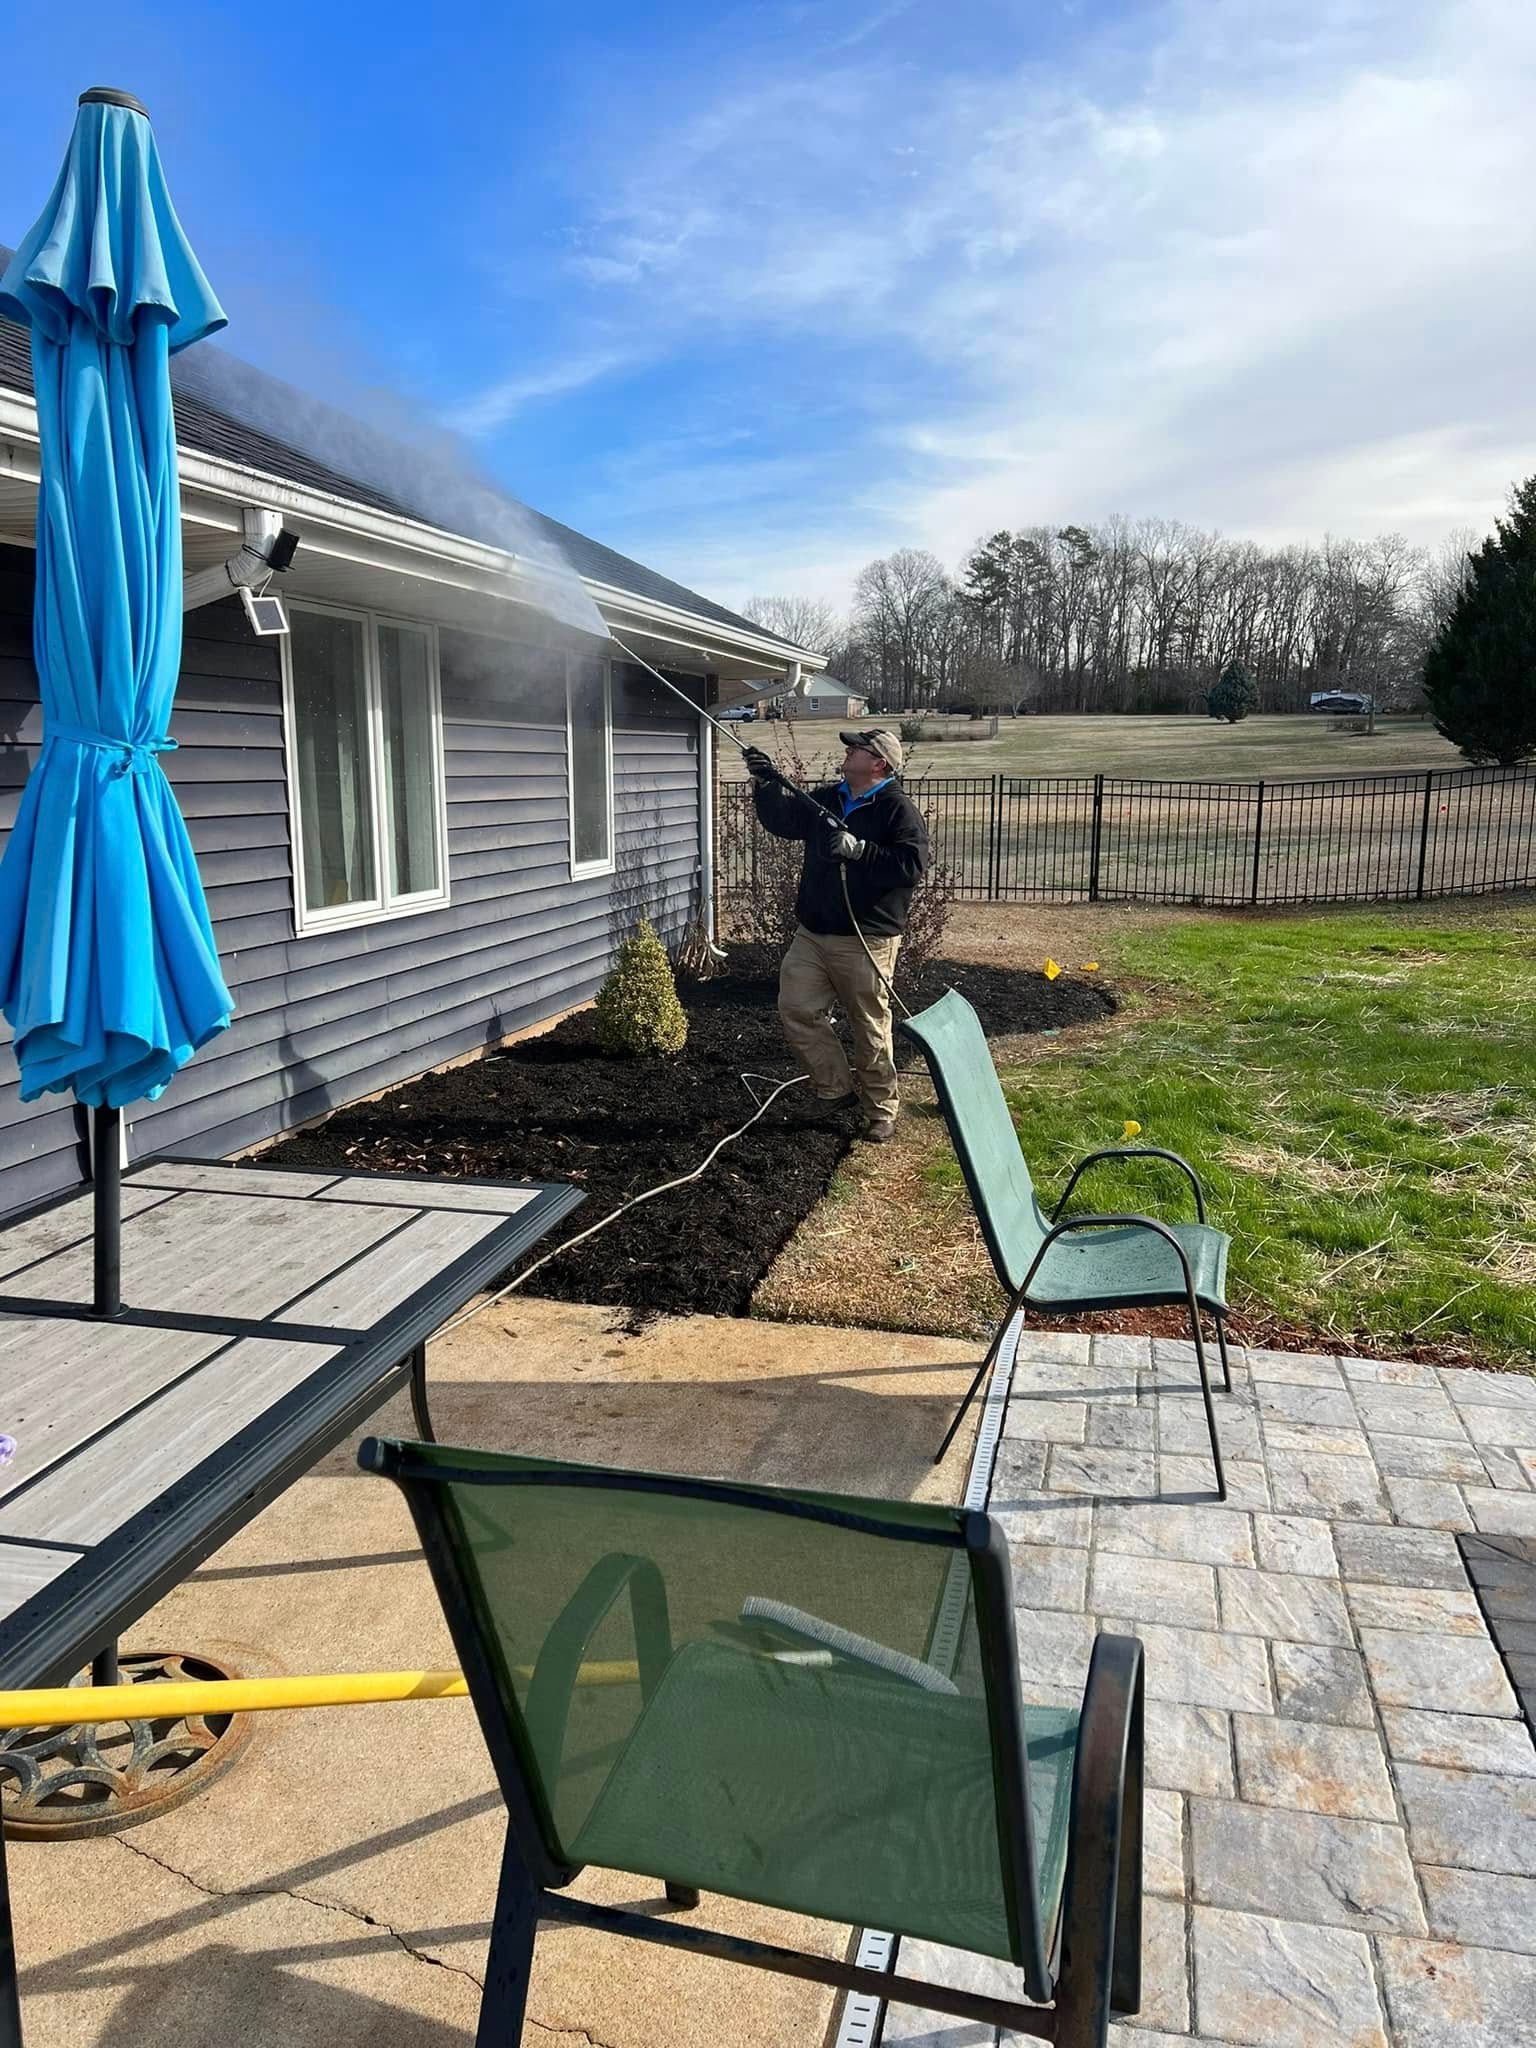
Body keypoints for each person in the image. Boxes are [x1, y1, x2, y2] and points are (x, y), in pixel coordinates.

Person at [743, 727, 928, 1143]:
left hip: (865, 938)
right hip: (812, 932)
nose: (846, 752)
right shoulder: (830, 797)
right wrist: (765, 783)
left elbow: (910, 866)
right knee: (797, 1009)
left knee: (870, 1026)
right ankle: (834, 1090)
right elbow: (783, 820)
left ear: (878, 763)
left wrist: (861, 850)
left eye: (856, 749)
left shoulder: (897, 810)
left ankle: (881, 1110)